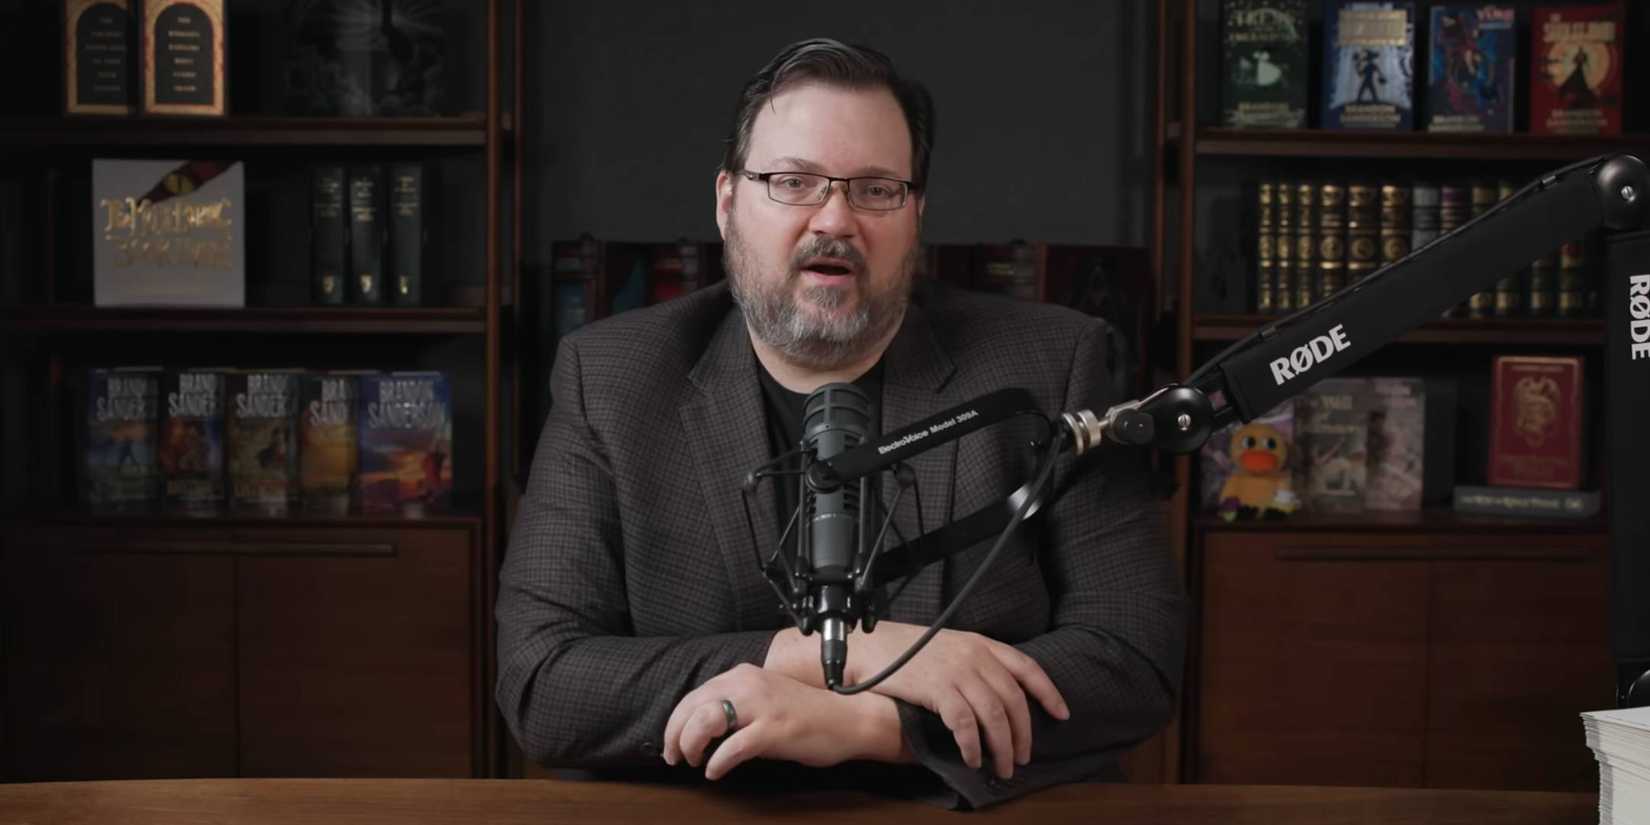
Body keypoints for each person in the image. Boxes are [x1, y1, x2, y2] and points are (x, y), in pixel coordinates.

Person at [496, 37, 1186, 809]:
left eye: (876, 189)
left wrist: (872, 723)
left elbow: (1133, 659)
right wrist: (836, 654)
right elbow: (542, 681)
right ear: (727, 204)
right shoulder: (611, 379)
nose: (835, 218)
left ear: (916, 213)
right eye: (792, 182)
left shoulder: (1053, 363)